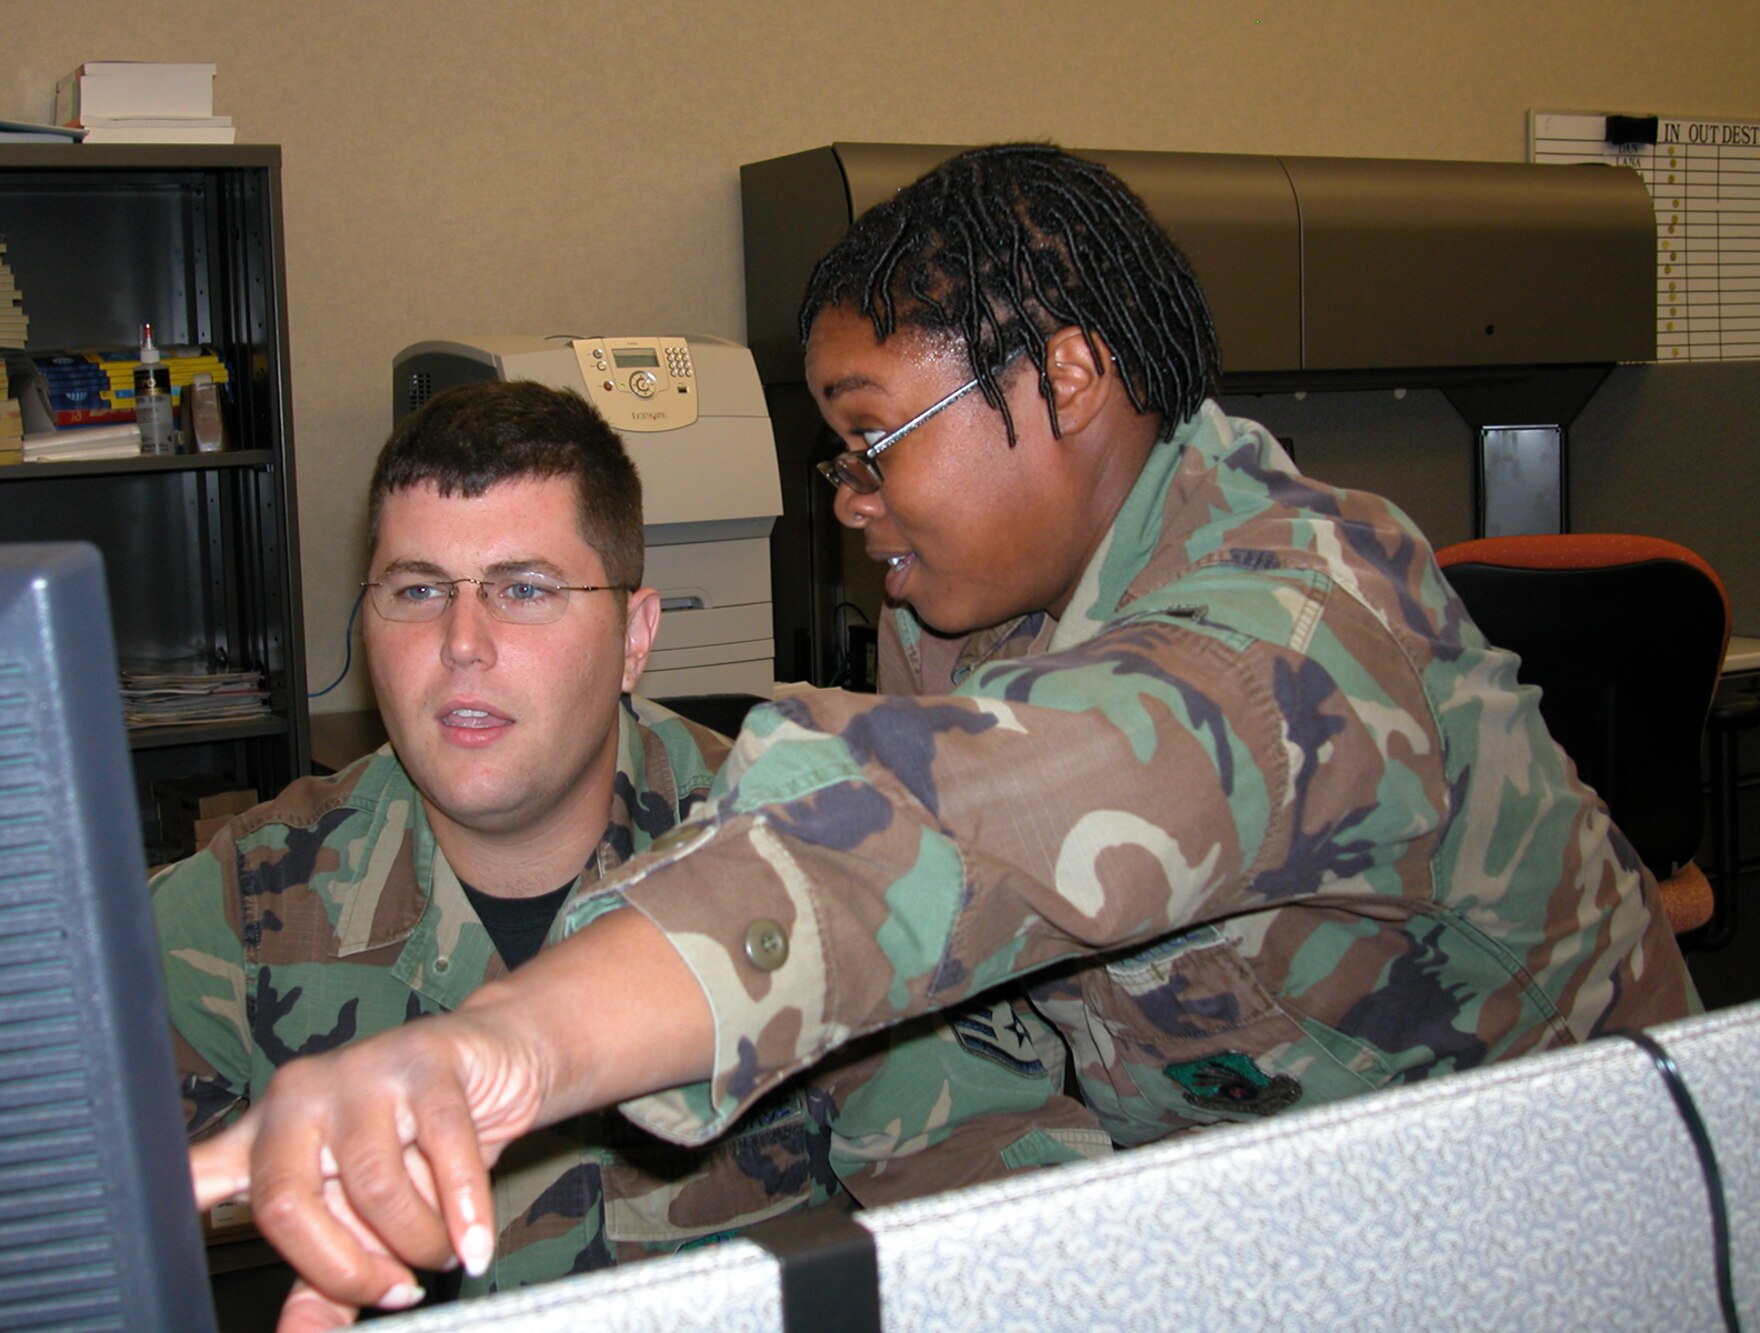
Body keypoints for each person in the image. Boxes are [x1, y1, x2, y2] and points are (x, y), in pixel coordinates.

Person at [190, 145, 1698, 1313]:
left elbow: (920, 846)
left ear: (1066, 374)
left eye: (872, 439)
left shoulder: (1287, 644)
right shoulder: (960, 620)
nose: (850, 501)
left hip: (1553, 1228)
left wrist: (491, 1051)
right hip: (1247, 1205)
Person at [157, 377, 1106, 1322]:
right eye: (418, 589)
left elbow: (1017, 1225)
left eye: (523, 589)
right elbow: (40, 1195)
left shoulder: (799, 856)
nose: (461, 643)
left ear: (634, 637)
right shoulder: (254, 896)